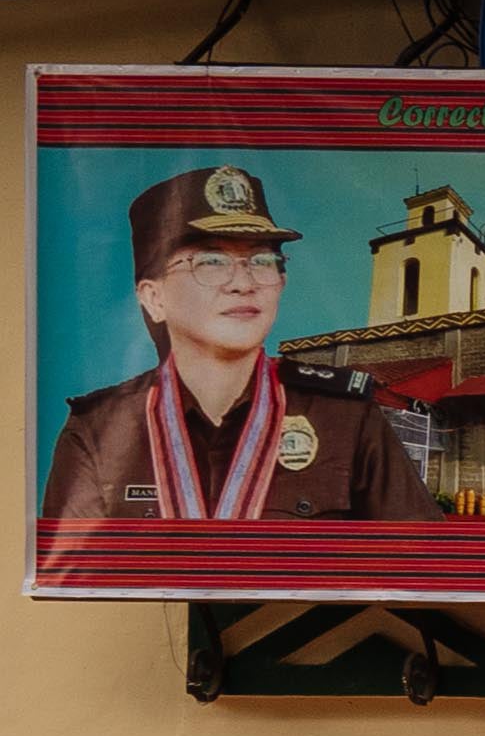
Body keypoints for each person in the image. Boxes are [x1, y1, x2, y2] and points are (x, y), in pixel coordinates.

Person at [34, 165, 437, 566]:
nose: (244, 282)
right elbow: (72, 574)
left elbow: (424, 560)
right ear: (154, 298)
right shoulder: (97, 431)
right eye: (210, 261)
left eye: (262, 261)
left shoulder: (345, 418)